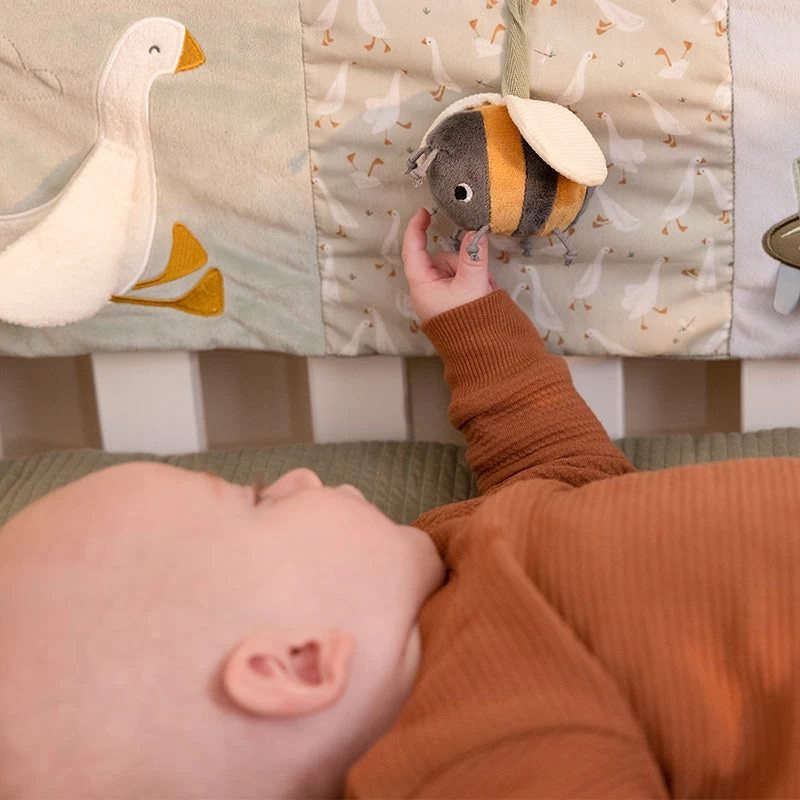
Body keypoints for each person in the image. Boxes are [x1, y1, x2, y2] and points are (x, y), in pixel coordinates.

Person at [1, 207, 799, 799]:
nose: (295, 476)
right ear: (298, 662)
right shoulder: (473, 750)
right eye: (257, 501)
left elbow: (560, 469)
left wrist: (473, 326)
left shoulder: (461, 562)